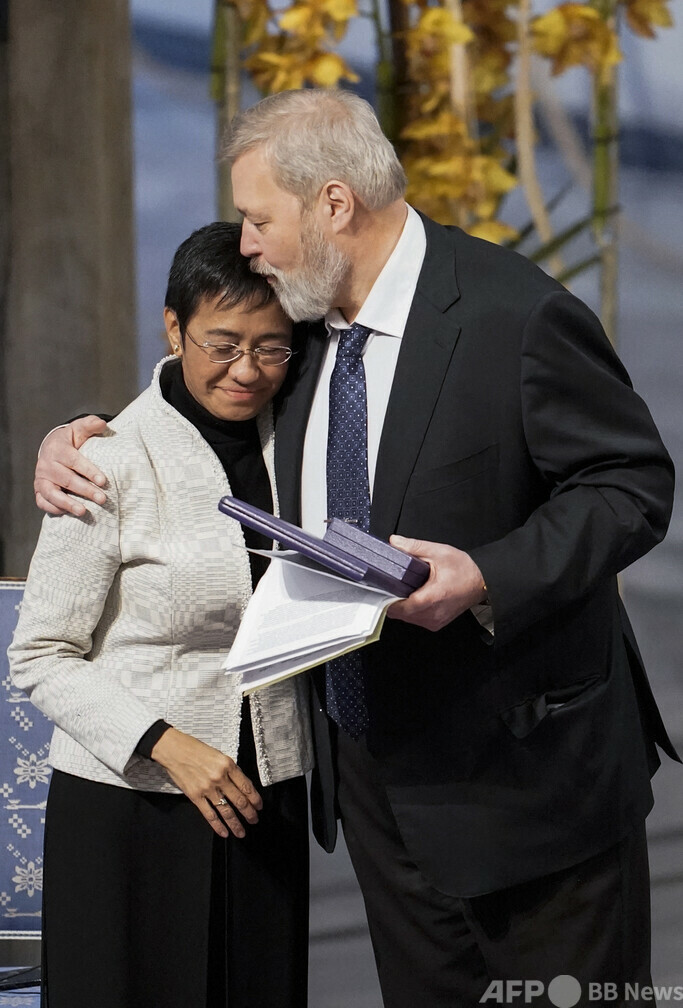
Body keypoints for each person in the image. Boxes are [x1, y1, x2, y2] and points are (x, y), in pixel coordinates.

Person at [34, 90, 677, 1006]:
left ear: (333, 205)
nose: (247, 243)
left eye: (259, 219)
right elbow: (205, 388)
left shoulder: (515, 314)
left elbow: (628, 485)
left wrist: (484, 575)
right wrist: (81, 433)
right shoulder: (300, 328)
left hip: (529, 788)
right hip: (378, 794)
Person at [10, 222, 313, 1008]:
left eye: (271, 348)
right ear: (174, 329)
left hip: (265, 792)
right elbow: (40, 654)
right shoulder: (105, 461)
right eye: (223, 344)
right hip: (130, 799)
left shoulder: (303, 446)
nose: (246, 370)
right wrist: (166, 745)